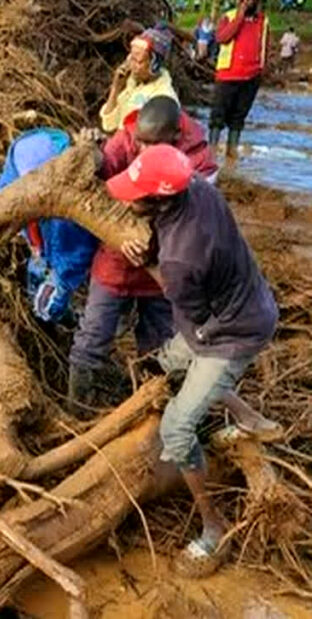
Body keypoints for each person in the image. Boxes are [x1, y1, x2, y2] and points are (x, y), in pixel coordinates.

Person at [106, 143, 282, 577]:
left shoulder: (181, 260)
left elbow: (193, 316)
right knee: (173, 363)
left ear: (157, 200)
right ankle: (249, 419)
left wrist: (156, 262)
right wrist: (151, 250)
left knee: (177, 427)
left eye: (135, 193)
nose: (127, 197)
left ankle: (213, 530)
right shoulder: (200, 188)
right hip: (251, 300)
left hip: (232, 333)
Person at [69, 97, 217, 408]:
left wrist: (151, 245)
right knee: (93, 335)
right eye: (141, 143)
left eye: (154, 145)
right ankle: (77, 408)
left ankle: (149, 408)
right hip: (117, 253)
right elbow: (101, 184)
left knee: (158, 344)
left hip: (164, 264)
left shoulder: (199, 158)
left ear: (175, 138)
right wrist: (89, 154)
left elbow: (195, 220)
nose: (143, 151)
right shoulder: (129, 136)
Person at [0, 128, 97, 323]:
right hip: (38, 247)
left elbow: (75, 253)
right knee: (34, 282)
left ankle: (69, 322)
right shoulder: (18, 165)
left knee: (47, 309)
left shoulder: (68, 213)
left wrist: (61, 280)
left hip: (62, 257)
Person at [210, 0, 269, 160]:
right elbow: (222, 38)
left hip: (251, 77)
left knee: (238, 117)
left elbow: (265, 46)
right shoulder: (229, 17)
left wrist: (262, 69)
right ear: (240, 0)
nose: (251, 2)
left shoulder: (263, 21)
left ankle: (232, 152)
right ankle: (211, 153)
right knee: (218, 116)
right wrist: (240, 18)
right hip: (228, 74)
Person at [100, 25, 178, 133]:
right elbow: (108, 125)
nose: (133, 66)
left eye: (139, 62)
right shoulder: (132, 84)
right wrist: (115, 88)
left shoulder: (163, 97)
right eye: (132, 59)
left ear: (155, 64)